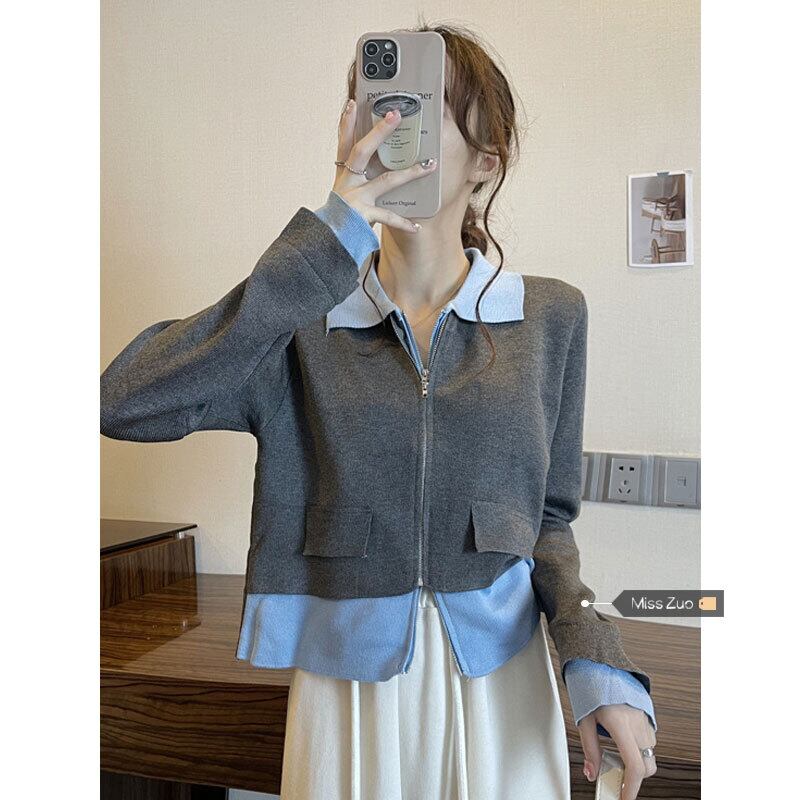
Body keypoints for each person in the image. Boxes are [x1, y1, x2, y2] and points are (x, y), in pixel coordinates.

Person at [101, 22, 657, 800]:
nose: (396, 124)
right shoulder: (301, 319)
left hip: (500, 688)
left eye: (428, 106)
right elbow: (123, 402)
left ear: (487, 160)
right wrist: (326, 241)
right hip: (347, 692)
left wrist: (595, 657)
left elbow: (548, 526)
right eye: (381, 104)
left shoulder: (549, 318)